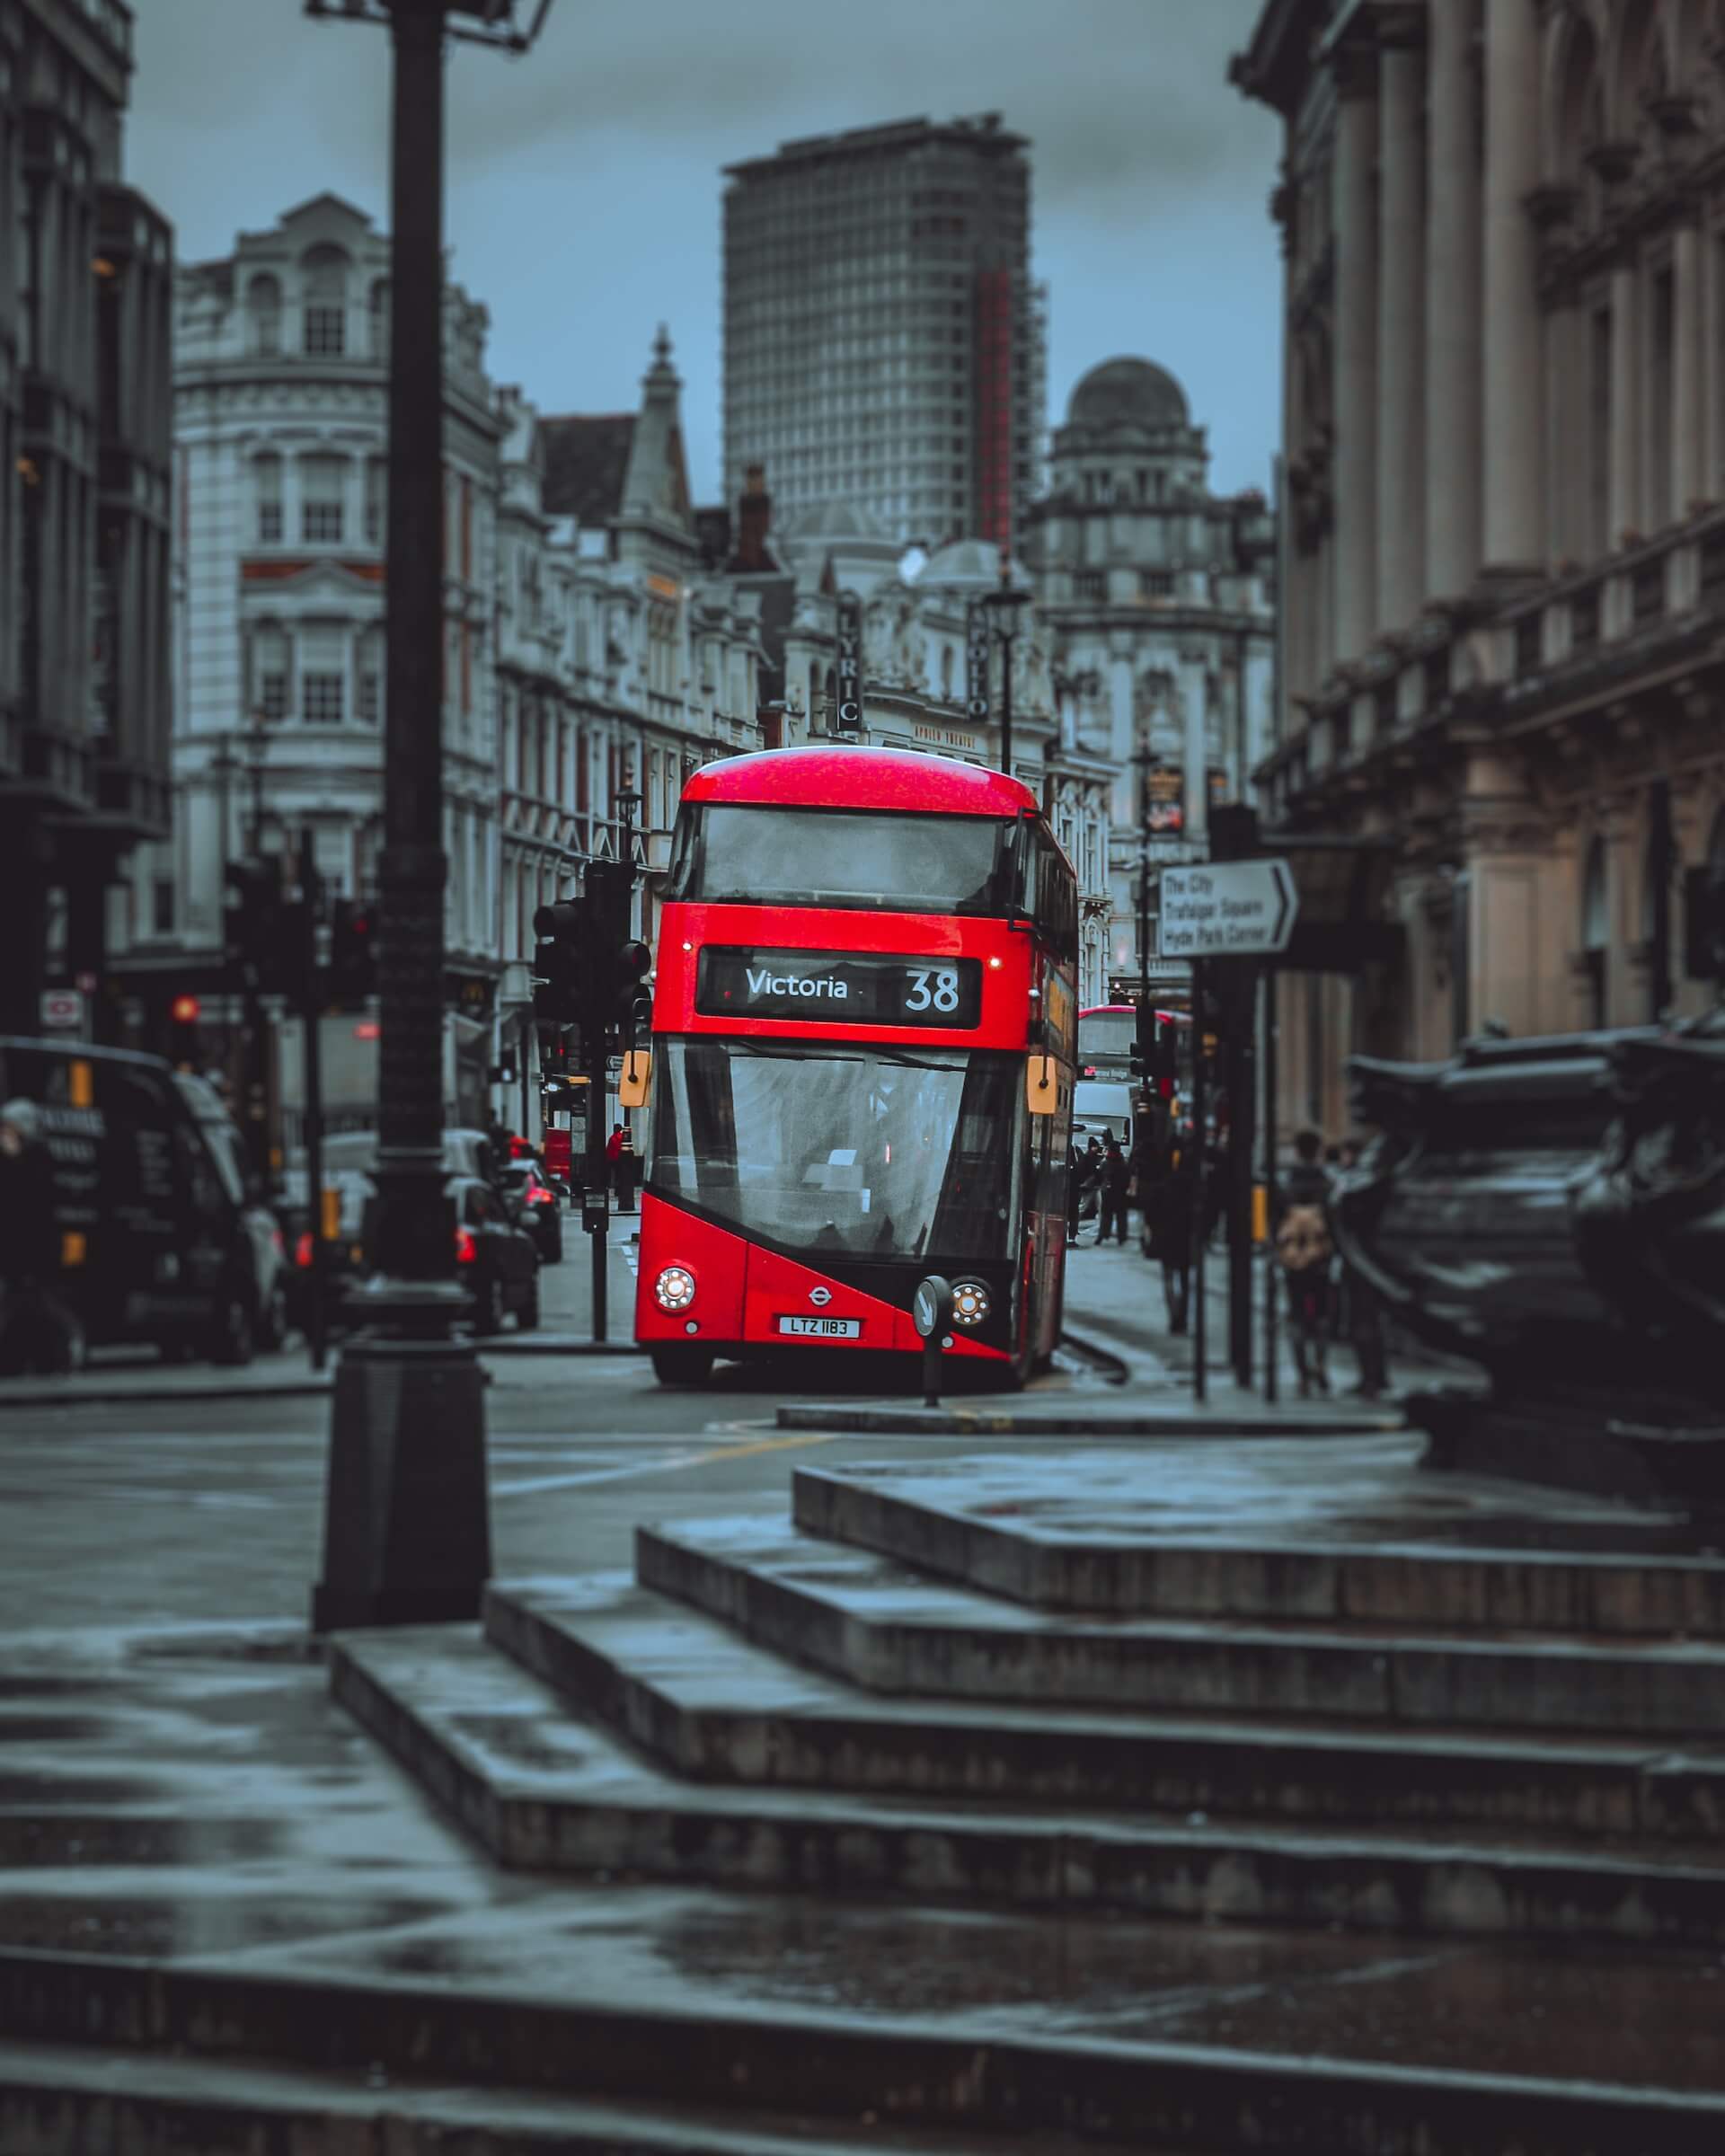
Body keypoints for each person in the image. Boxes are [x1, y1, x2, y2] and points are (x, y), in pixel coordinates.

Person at [0, 1098, 77, 1377]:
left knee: (34, 1306)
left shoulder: (37, 1158)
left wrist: (14, 1160)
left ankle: (51, 1357)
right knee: (23, 1307)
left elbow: (30, 1204)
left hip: (34, 1250)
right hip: (16, 1250)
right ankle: (21, 1360)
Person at [1273, 1127, 1334, 1398]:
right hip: (1321, 1259)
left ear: (1297, 1151)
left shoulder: (1286, 1185)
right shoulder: (1328, 1184)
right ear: (1318, 1150)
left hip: (1293, 1259)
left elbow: (1273, 1225)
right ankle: (1320, 1364)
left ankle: (1302, 1373)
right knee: (1322, 1315)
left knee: (1296, 1314)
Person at [1142, 1127, 1197, 1333]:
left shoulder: (1162, 1187)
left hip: (1165, 1238)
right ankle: (1181, 1315)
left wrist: (1153, 1232)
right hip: (1184, 1237)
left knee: (1168, 1277)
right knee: (1184, 1279)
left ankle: (1174, 1314)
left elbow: (1150, 1215)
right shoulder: (1192, 1187)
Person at [1097, 1135, 1132, 1246]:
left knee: (1106, 1215)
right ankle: (1122, 1236)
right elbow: (1128, 1177)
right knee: (1121, 1215)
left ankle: (1103, 1234)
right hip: (1120, 1192)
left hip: (1107, 1191)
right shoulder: (1123, 1163)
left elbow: (1099, 1175)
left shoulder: (1105, 1162)